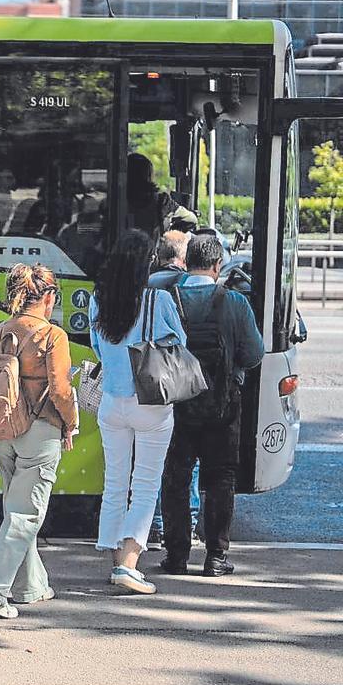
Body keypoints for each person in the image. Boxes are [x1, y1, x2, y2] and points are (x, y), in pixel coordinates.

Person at [0, 263, 78, 619]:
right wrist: (71, 423)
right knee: (26, 513)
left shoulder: (0, 329)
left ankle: (30, 585)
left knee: (16, 508)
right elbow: (61, 390)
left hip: (3, 429)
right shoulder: (53, 335)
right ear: (48, 297)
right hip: (41, 429)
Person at [159, 233, 264, 577]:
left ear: (186, 263)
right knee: (220, 479)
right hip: (223, 405)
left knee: (176, 478)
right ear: (219, 265)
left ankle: (176, 556)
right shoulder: (234, 302)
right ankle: (216, 557)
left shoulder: (166, 298)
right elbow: (253, 354)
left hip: (175, 404)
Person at [90, 229, 184, 595]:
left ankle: (116, 561)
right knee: (145, 485)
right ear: (147, 262)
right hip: (150, 404)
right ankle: (129, 564)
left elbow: (98, 348)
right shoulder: (157, 301)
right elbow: (179, 345)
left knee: (114, 484)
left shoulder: (99, 300)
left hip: (112, 402)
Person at [147, 229, 193, 546]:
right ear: (182, 256)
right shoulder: (187, 285)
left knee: (150, 460)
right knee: (186, 459)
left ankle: (156, 522)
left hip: (149, 383)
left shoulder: (145, 287)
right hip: (182, 381)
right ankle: (186, 521)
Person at [125, 153, 177, 238]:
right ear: (149, 175)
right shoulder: (161, 200)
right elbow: (190, 219)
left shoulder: (116, 201)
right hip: (151, 250)